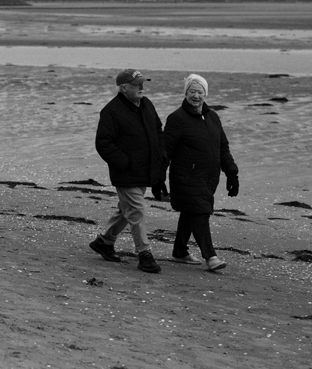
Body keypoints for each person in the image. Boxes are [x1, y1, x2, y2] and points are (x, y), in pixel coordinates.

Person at [90, 68, 169, 273]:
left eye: (142, 84)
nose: (141, 87)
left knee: (127, 210)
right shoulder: (111, 111)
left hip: (145, 170)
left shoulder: (147, 105)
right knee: (137, 210)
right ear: (124, 88)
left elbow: (158, 132)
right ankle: (145, 254)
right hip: (125, 172)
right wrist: (124, 162)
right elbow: (103, 143)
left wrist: (161, 163)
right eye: (136, 85)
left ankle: (105, 242)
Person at [163, 73, 239, 272]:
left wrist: (231, 173)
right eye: (192, 91)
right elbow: (165, 151)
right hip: (186, 177)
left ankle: (179, 251)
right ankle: (210, 256)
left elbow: (223, 147)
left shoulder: (213, 117)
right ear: (185, 93)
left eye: (200, 92)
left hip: (208, 178)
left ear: (206, 94)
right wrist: (158, 178)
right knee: (200, 212)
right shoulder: (177, 118)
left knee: (191, 211)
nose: (196, 96)